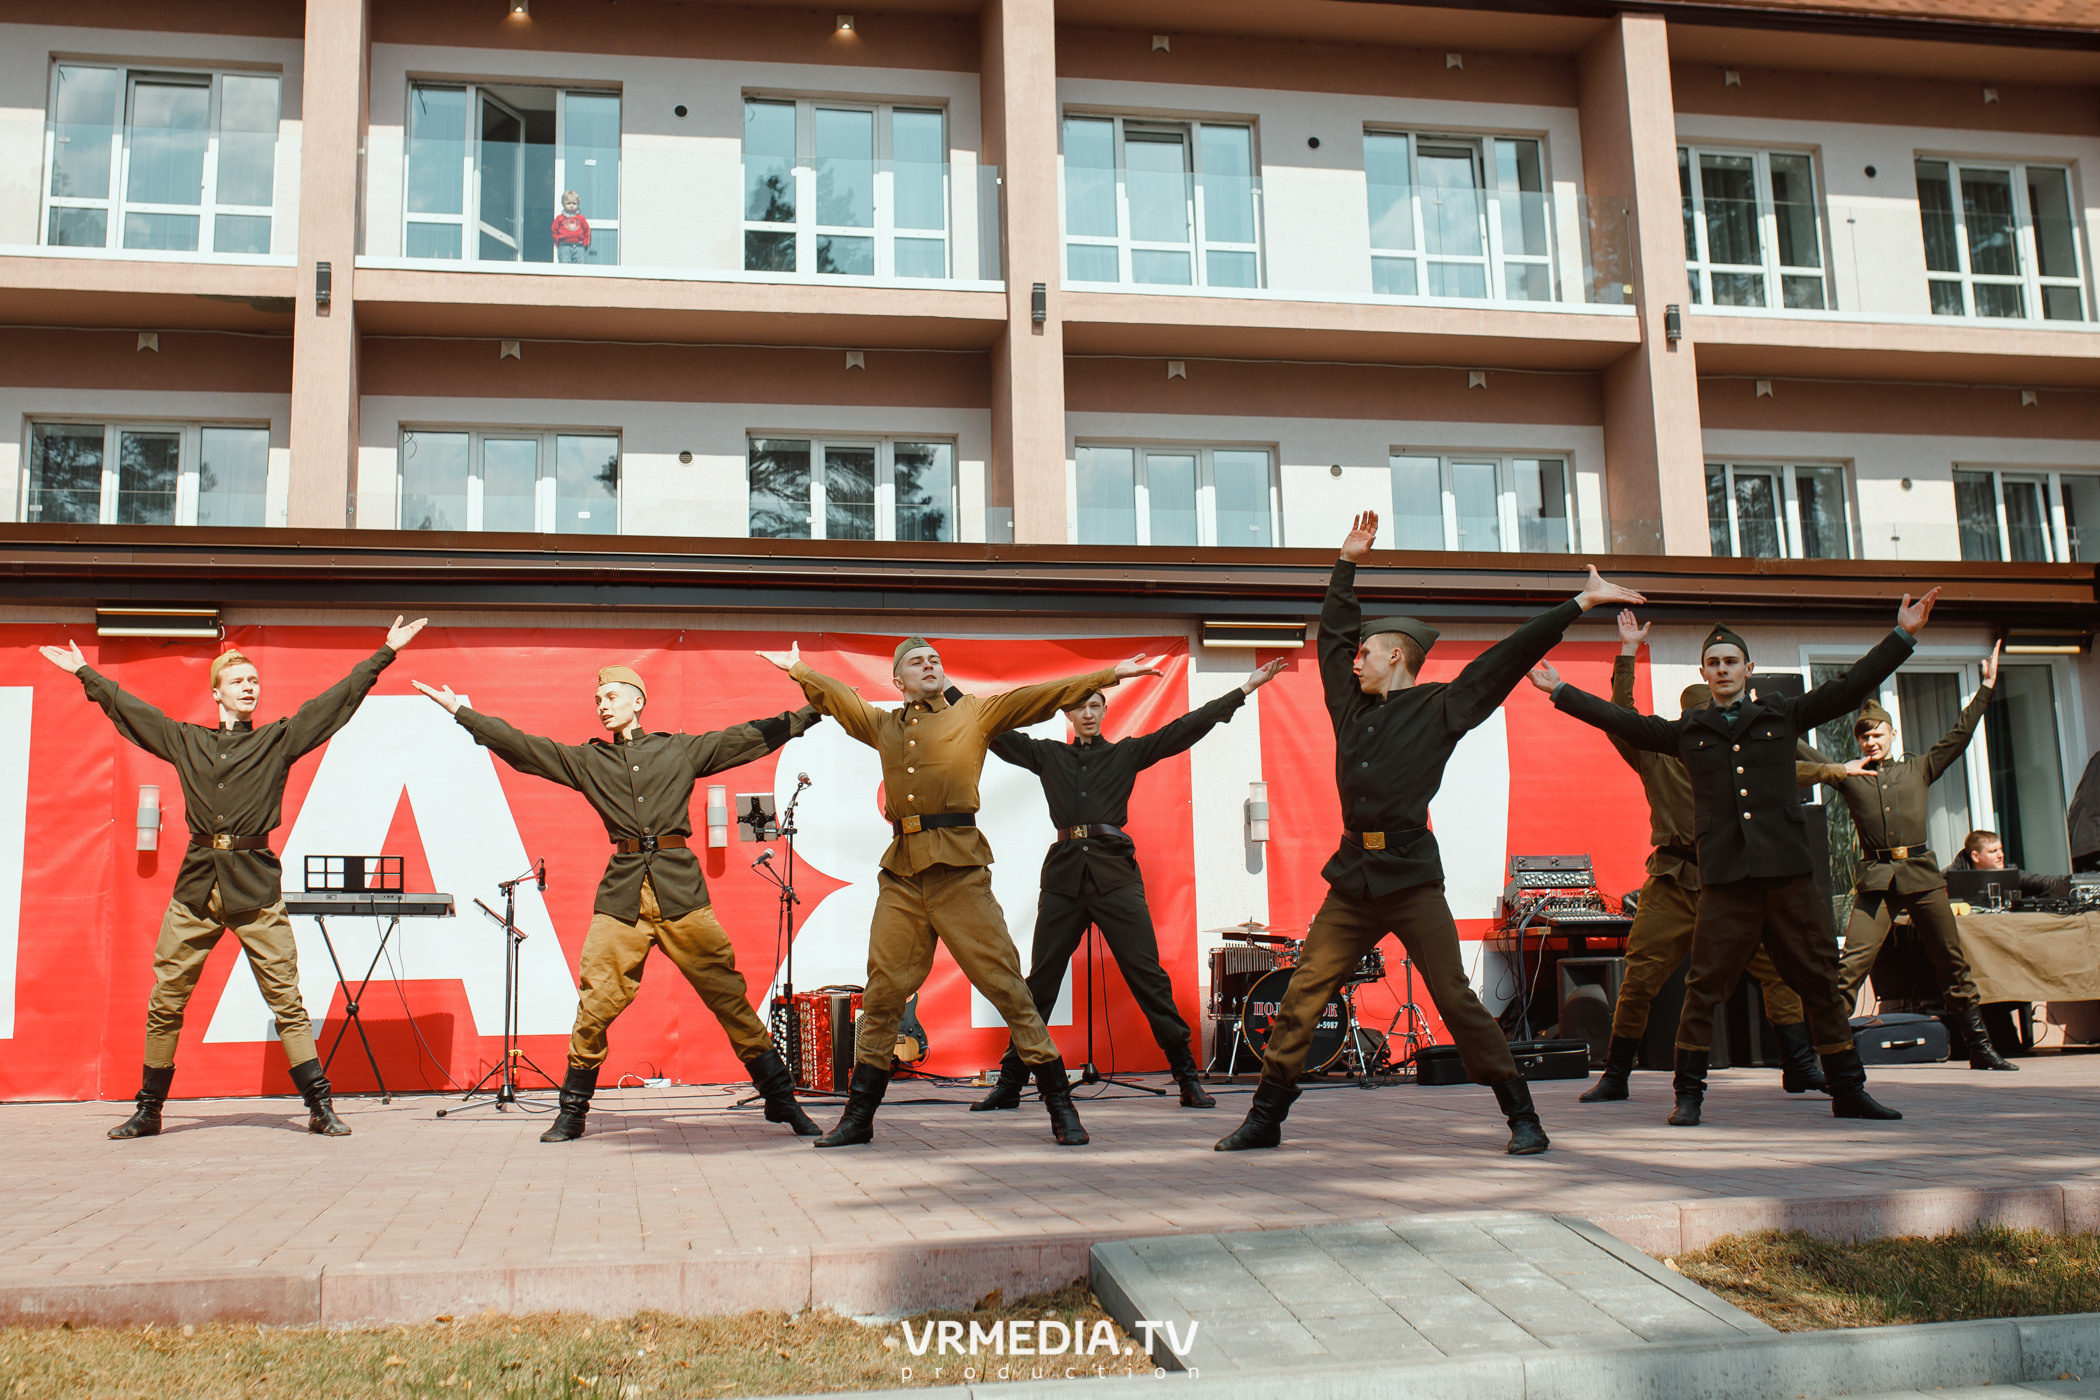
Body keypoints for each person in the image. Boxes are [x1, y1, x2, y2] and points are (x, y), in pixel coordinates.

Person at [1214, 511, 1647, 1157]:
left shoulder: (1443, 706)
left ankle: (1521, 1115)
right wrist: (1346, 563)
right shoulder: (1349, 706)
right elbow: (1332, 637)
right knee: (1304, 993)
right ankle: (1266, 1116)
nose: (1354, 661)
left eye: (1367, 652)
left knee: (1455, 996)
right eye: (1355, 654)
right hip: (1353, 879)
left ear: (1396, 655)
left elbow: (1505, 659)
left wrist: (1578, 603)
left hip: (1412, 877)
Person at [1540, 594, 1940, 1126]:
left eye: (1731, 661)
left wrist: (1903, 636)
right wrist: (1562, 691)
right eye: (1714, 662)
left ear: (1748, 670)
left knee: (1817, 981)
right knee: (1702, 986)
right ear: (1704, 672)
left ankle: (1846, 1087)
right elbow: (1623, 720)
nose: (1723, 669)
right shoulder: (1688, 733)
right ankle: (1687, 1095)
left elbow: (1847, 690)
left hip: (1787, 878)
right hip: (1722, 880)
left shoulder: (1781, 715)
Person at [758, 637, 1159, 1148]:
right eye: (916, 663)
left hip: (960, 871)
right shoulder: (884, 726)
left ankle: (1062, 1107)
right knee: (881, 995)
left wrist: (1109, 674)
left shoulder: (975, 713)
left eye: (934, 660)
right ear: (898, 681)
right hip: (902, 874)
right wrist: (798, 668)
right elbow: (842, 701)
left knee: (1007, 987)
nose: (929, 666)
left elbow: (1040, 694)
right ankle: (858, 1118)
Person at [43, 618, 427, 1139]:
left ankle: (319, 1107)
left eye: (255, 681)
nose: (251, 686)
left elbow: (335, 704)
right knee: (166, 999)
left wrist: (385, 652)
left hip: (255, 887)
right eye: (240, 681)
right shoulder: (187, 741)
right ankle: (149, 1109)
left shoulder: (277, 740)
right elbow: (132, 713)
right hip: (196, 887)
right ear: (218, 692)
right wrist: (86, 673)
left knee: (286, 998)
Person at [413, 666, 821, 1142]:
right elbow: (524, 749)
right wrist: (463, 712)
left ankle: (780, 1100)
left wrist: (815, 711)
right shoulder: (590, 761)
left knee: (728, 997)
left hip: (681, 893)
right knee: (597, 1002)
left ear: (638, 702)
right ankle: (573, 1111)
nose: (602, 704)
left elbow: (748, 738)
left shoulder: (678, 749)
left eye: (610, 696)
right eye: (598, 698)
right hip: (622, 896)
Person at [1527, 610, 1827, 1104]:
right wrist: (1626, 652)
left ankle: (1797, 1065)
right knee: (1641, 973)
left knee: (1776, 969)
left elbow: (1799, 767)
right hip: (1674, 877)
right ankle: (1618, 1073)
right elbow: (1620, 713)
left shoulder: (1746, 755)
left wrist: (1838, 769)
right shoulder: (1658, 752)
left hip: (1732, 878)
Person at [974, 658, 1287, 1113]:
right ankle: (1009, 1082)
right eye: (1079, 705)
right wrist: (946, 693)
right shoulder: (1048, 755)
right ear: (1067, 713)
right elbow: (991, 730)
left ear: (1104, 711)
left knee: (1148, 978)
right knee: (1040, 983)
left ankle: (1186, 1078)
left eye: (1095, 704)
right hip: (1063, 877)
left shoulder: (1124, 754)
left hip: (1115, 877)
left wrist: (1243, 690)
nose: (1087, 713)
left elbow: (1185, 729)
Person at [1798, 644, 2014, 1071]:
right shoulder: (1850, 775)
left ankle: (1980, 1049)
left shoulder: (1918, 767)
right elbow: (1807, 753)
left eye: (1877, 734)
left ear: (1893, 735)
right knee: (1850, 967)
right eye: (1864, 735)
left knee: (1951, 961)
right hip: (1877, 879)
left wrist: (1986, 687)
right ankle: (1829, 1058)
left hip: (1922, 876)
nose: (1871, 741)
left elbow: (1960, 734)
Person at [1947, 830, 2072, 899]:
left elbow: (2044, 882)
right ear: (1975, 856)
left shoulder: (2011, 873)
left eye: (2000, 849)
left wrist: (2074, 880)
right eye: (1993, 851)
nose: (2001, 855)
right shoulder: (1948, 880)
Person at [553, 190, 592, 264]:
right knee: (564, 265)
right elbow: (554, 231)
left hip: (579, 246)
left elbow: (587, 231)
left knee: (579, 267)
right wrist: (559, 243)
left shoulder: (581, 218)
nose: (571, 206)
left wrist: (584, 245)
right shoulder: (560, 218)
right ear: (563, 204)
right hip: (564, 246)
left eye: (574, 203)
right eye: (568, 203)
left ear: (578, 204)